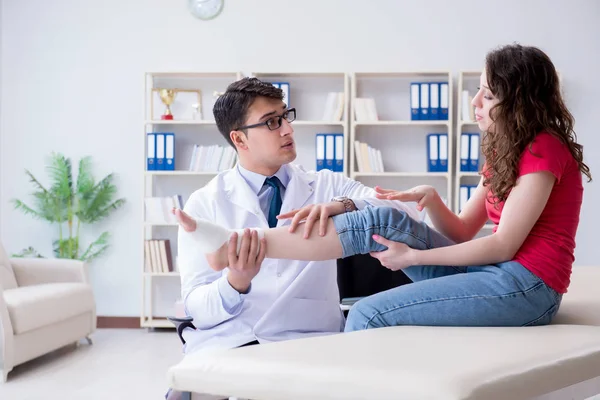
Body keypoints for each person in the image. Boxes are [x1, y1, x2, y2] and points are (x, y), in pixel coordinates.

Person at [175, 43, 592, 333]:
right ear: (238, 139)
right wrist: (431, 197)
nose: (475, 102)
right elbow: (462, 230)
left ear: (517, 99)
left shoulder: (542, 149)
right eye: (272, 122)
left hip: (526, 286)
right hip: (500, 273)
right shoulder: (504, 150)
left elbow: (502, 246)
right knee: (385, 218)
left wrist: (414, 254)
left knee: (366, 316)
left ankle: (240, 243)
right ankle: (241, 244)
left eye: (487, 92)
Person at [176, 77, 420, 355]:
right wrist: (235, 283)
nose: (288, 129)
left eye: (285, 116)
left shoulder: (328, 185)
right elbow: (197, 309)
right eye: (271, 122)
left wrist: (343, 205)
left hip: (310, 339)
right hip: (234, 340)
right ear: (239, 138)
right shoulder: (204, 203)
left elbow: (407, 214)